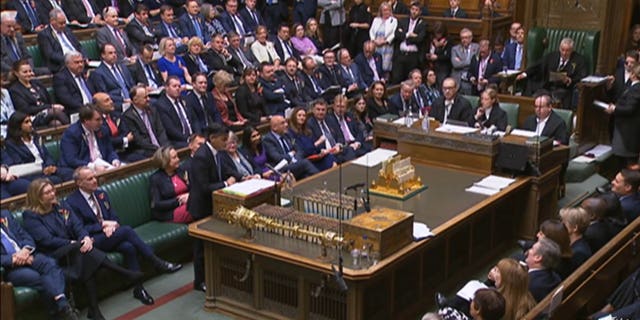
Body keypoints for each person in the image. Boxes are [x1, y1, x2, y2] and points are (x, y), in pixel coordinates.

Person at [22, 179, 143, 320]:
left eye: (52, 190)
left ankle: (94, 310)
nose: (52, 193)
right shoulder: (31, 216)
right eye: (47, 192)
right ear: (38, 197)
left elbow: (78, 225)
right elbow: (46, 240)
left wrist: (85, 237)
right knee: (82, 253)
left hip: (75, 249)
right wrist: (73, 242)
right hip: (54, 253)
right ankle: (123, 273)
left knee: (85, 258)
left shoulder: (61, 205)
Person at [67, 167, 182, 306]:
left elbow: (113, 215)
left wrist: (112, 225)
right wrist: (102, 226)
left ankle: (139, 289)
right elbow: (78, 228)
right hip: (91, 241)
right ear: (79, 183)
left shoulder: (101, 194)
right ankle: (156, 261)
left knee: (129, 248)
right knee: (127, 231)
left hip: (111, 234)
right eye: (90, 179)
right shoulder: (71, 202)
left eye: (94, 177)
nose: (94, 181)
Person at [1, 209, 78, 320]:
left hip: (27, 255)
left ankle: (61, 306)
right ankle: (61, 309)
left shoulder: (5, 215)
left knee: (51, 264)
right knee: (37, 277)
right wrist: (14, 259)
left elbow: (25, 236)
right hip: (10, 268)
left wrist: (25, 251)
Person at [187, 124, 237, 292]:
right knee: (201, 248)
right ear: (213, 138)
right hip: (201, 207)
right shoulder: (201, 157)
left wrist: (241, 177)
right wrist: (225, 183)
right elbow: (203, 187)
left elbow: (227, 172)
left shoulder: (218, 153)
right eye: (223, 139)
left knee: (212, 244)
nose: (226, 143)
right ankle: (199, 281)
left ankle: (214, 274)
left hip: (213, 204)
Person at [4, 111, 73, 184]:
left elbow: (47, 156)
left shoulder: (36, 137)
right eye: (26, 122)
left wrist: (50, 166)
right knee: (55, 180)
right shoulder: (11, 144)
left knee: (72, 174)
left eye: (30, 121)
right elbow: (20, 164)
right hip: (32, 174)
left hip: (47, 169)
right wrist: (43, 169)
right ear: (18, 125)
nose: (30, 124)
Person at [517, 37, 587, 109]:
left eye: (567, 51)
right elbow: (538, 65)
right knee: (535, 96)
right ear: (559, 48)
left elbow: (582, 76)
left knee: (554, 99)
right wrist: (525, 74)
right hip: (547, 86)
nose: (564, 53)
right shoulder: (552, 56)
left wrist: (570, 80)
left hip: (564, 89)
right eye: (562, 50)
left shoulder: (579, 60)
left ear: (572, 50)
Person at [8, 60, 68, 127]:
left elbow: (48, 100)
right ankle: (72, 129)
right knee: (55, 111)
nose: (29, 74)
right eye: (25, 72)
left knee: (56, 123)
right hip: (31, 117)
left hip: (47, 113)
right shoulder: (14, 90)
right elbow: (26, 109)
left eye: (30, 71)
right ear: (16, 73)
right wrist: (50, 107)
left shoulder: (36, 83)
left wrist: (50, 106)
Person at [60, 106, 121, 172]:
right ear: (86, 121)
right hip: (81, 168)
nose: (101, 122)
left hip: (104, 165)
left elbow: (110, 150)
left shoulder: (103, 130)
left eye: (101, 119)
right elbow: (72, 160)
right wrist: (93, 167)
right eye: (97, 120)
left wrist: (114, 160)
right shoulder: (71, 133)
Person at [603, 63, 640, 170]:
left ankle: (624, 183)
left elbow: (629, 109)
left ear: (633, 75)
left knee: (625, 164)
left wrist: (614, 109)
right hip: (624, 130)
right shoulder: (633, 87)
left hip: (627, 132)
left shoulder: (637, 88)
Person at [263, 115, 319, 180]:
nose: (286, 125)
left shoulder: (288, 135)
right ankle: (322, 180)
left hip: (294, 164)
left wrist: (296, 159)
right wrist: (291, 155)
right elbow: (277, 158)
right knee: (305, 163)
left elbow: (298, 148)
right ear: (275, 127)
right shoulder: (268, 140)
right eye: (282, 123)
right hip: (282, 168)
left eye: (286, 122)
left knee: (306, 175)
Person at [122, 85, 170, 158]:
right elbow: (139, 140)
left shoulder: (152, 109)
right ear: (135, 100)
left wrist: (165, 146)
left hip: (161, 147)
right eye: (145, 97)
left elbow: (161, 131)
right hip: (145, 150)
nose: (149, 99)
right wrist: (158, 150)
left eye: (148, 96)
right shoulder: (128, 116)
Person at [307, 99, 357, 164]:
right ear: (313, 110)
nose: (321, 112)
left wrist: (339, 145)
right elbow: (313, 144)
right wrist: (325, 151)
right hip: (325, 154)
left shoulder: (330, 119)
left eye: (323, 110)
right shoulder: (310, 124)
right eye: (318, 109)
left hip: (337, 149)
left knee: (350, 150)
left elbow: (340, 135)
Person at [288, 107, 337, 172]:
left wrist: (321, 151)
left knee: (330, 158)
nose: (302, 118)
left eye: (304, 116)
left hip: (315, 156)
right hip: (306, 159)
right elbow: (301, 150)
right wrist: (318, 142)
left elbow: (313, 145)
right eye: (299, 115)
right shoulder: (291, 133)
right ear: (294, 117)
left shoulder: (307, 131)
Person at [36, 8, 85, 73]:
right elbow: (50, 55)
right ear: (52, 21)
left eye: (65, 23)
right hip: (59, 65)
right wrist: (69, 60)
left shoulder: (68, 30)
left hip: (76, 61)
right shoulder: (44, 35)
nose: (64, 25)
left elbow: (79, 46)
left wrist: (84, 56)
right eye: (61, 23)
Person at [88, 43, 135, 110]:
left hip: (132, 99)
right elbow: (104, 95)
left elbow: (132, 84)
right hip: (116, 103)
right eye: (110, 53)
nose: (114, 55)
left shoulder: (123, 67)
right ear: (103, 55)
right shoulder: (98, 73)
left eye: (115, 53)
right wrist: (123, 100)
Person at [392, 1, 427, 84]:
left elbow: (420, 39)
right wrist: (408, 35)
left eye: (416, 10)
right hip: (401, 54)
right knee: (397, 79)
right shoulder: (403, 21)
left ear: (420, 12)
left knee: (411, 81)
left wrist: (404, 37)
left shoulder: (423, 24)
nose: (414, 11)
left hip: (413, 56)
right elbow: (397, 34)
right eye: (412, 9)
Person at [154, 76, 195, 148]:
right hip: (177, 141)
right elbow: (170, 129)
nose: (177, 88)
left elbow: (194, 120)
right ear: (166, 88)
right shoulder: (161, 105)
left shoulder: (184, 99)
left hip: (192, 137)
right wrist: (188, 139)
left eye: (179, 86)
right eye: (174, 86)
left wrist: (197, 136)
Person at [53, 51, 94, 117]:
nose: (80, 65)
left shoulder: (85, 74)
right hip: (76, 111)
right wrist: (86, 108)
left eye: (81, 62)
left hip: (92, 108)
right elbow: (66, 99)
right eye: (76, 62)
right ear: (67, 64)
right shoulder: (60, 78)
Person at [525, 238, 562, 302]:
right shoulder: (556, 277)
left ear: (537, 258)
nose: (529, 250)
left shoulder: (529, 284)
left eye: (532, 248)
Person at [559, 207, 593, 273]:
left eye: (564, 223)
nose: (561, 225)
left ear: (574, 228)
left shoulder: (578, 253)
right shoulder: (578, 243)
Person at [369, 2, 397, 79]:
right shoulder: (376, 20)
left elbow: (394, 34)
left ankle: (385, 81)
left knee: (386, 66)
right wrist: (374, 40)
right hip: (376, 45)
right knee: (376, 63)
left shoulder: (393, 20)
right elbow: (371, 31)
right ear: (381, 11)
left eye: (388, 10)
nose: (386, 12)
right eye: (384, 10)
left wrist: (385, 41)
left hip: (387, 46)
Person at [451, 28, 479, 95]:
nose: (464, 40)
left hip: (470, 79)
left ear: (471, 38)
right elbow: (455, 64)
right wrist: (470, 62)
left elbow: (476, 64)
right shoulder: (455, 49)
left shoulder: (477, 47)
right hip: (458, 79)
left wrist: (462, 61)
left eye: (466, 38)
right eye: (462, 38)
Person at [426, 21, 453, 86]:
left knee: (441, 81)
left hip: (443, 66)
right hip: (430, 65)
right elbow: (426, 50)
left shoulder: (448, 40)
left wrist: (437, 57)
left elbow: (448, 56)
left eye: (439, 33)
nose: (437, 35)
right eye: (436, 33)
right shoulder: (430, 39)